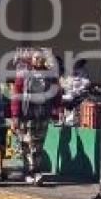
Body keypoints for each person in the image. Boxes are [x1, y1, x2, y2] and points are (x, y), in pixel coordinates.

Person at [11, 51, 59, 186]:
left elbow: (56, 93)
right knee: (29, 144)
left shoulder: (50, 76)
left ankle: (33, 171)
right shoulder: (24, 74)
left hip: (43, 115)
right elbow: (16, 95)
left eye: (41, 58)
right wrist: (15, 116)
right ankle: (32, 171)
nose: (39, 60)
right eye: (36, 58)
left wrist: (56, 110)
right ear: (31, 60)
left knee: (38, 145)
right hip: (27, 115)